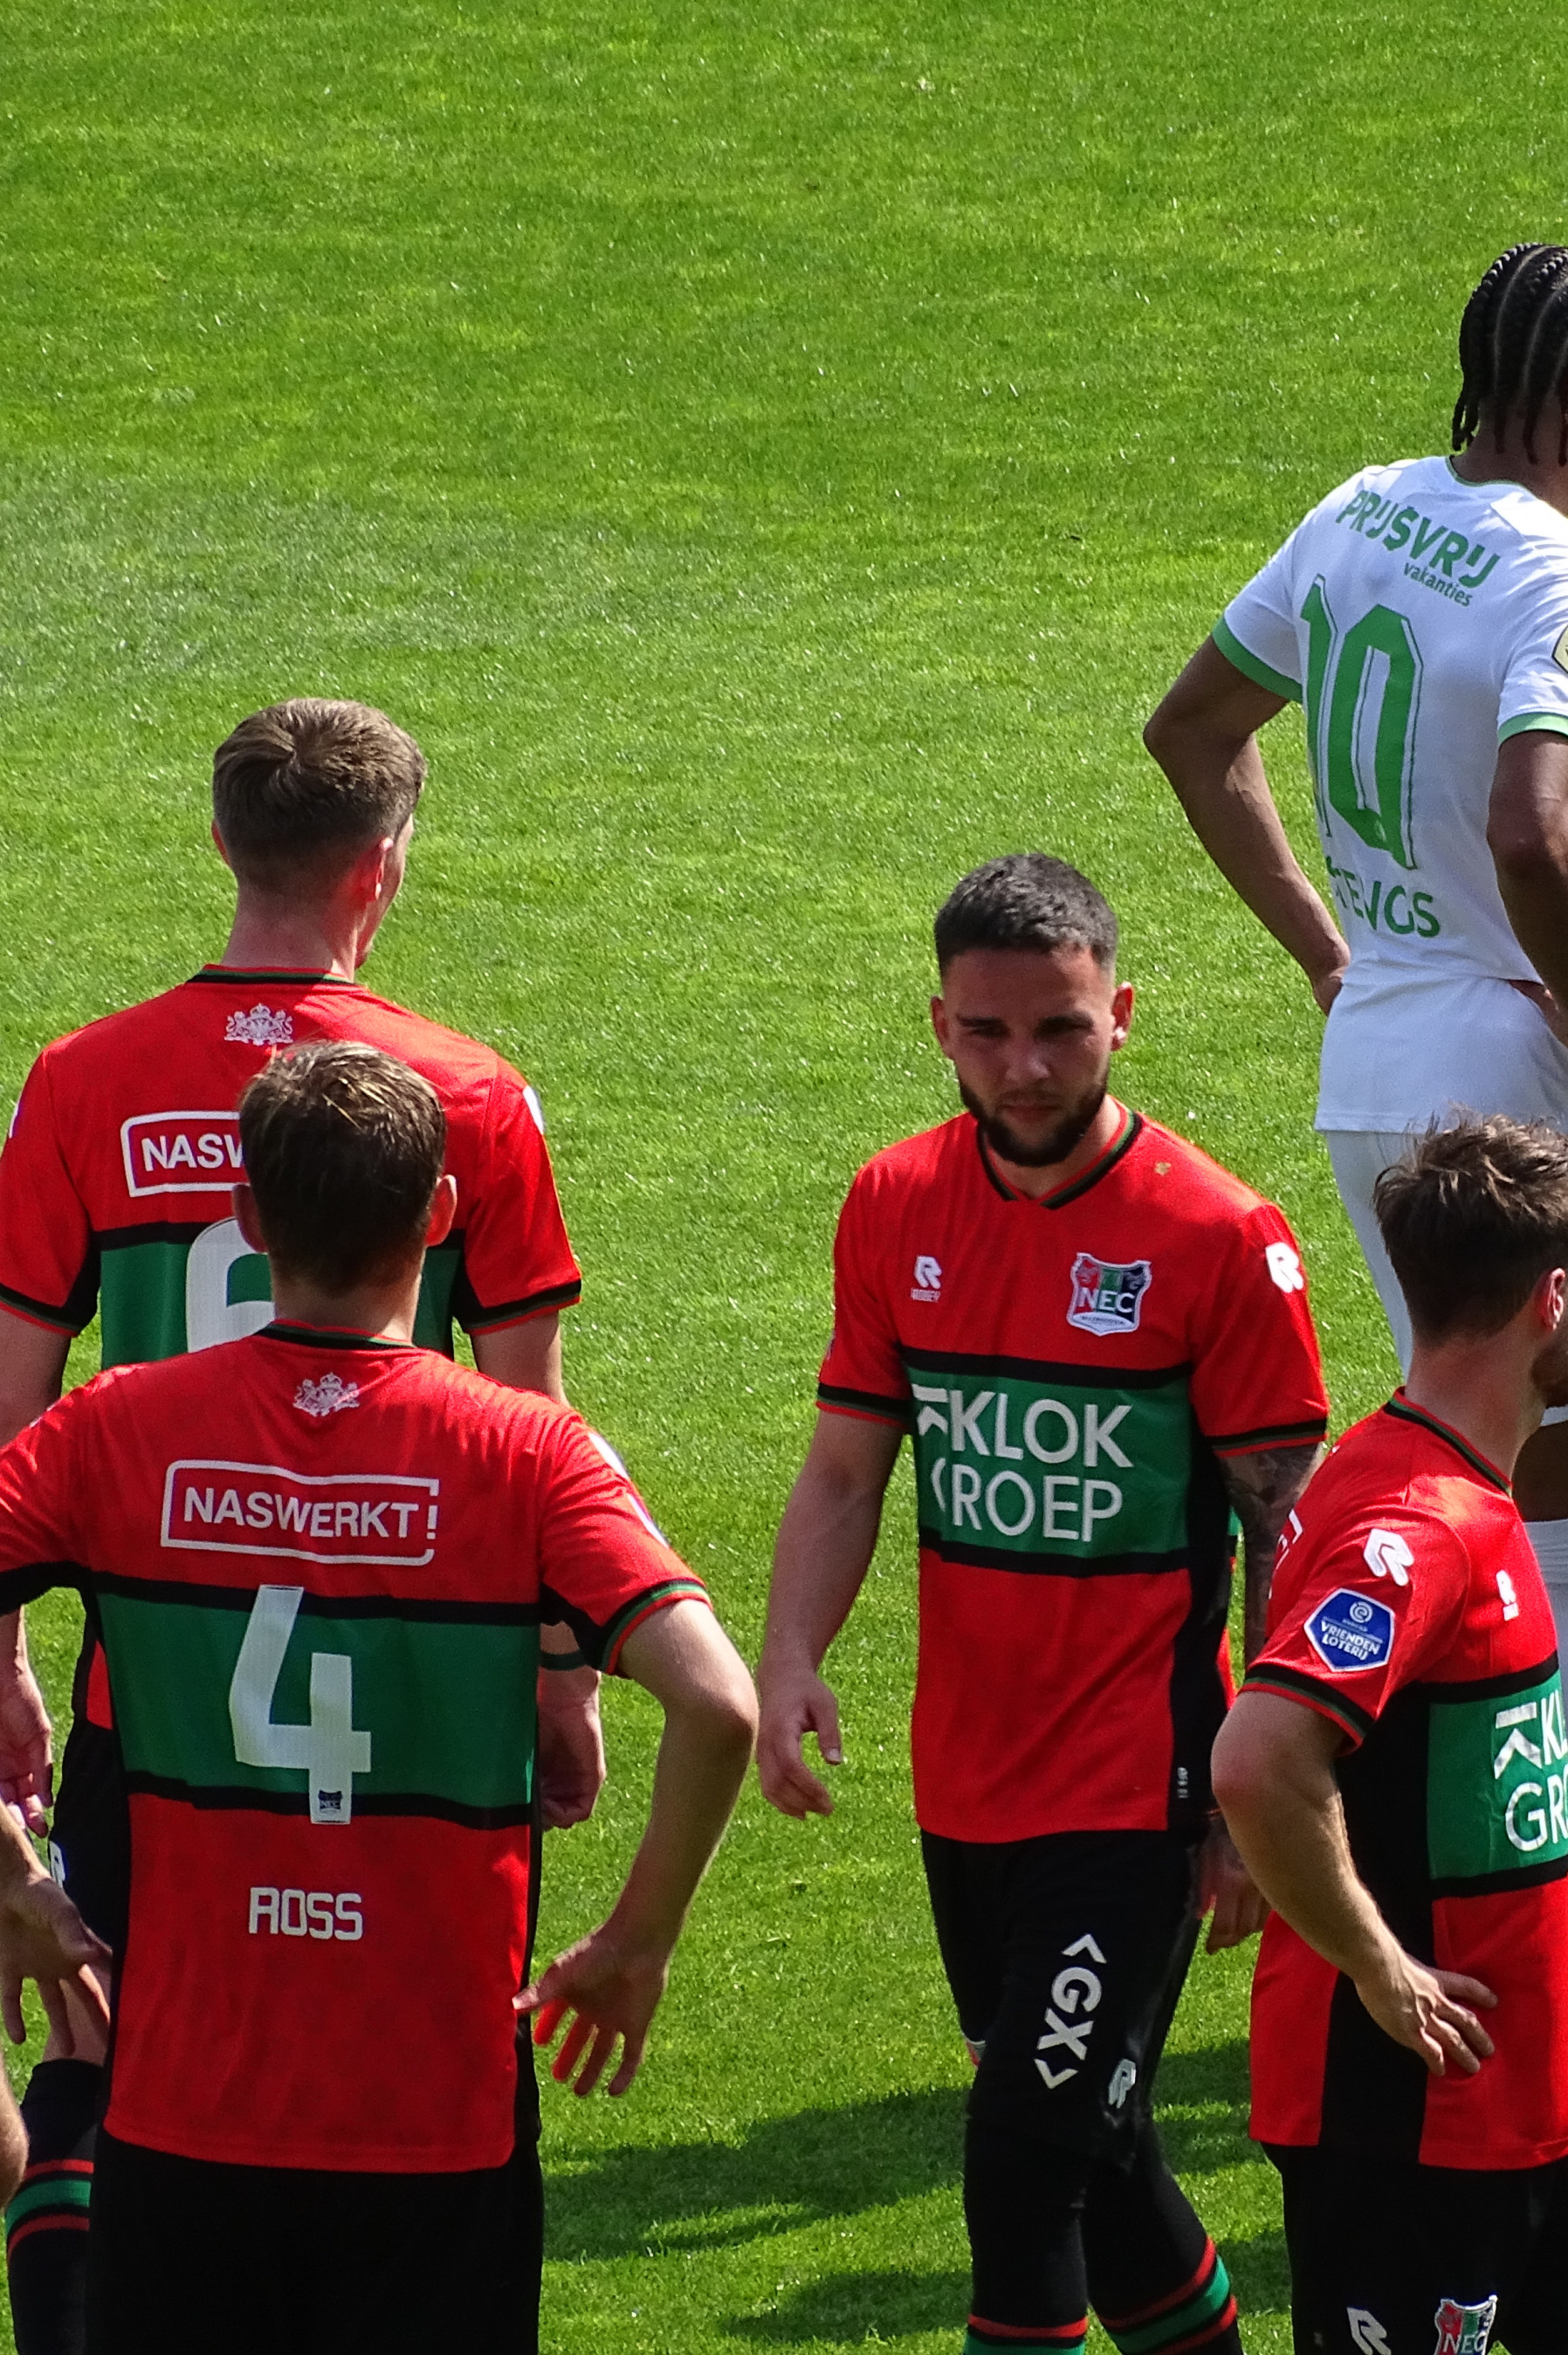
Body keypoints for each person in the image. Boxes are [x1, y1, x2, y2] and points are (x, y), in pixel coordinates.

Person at [1144, 241, 1568, 2088]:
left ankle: (1382, 1901)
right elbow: (1533, 824)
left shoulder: (1363, 511)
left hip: (1375, 1058)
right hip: (1507, 1067)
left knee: (1442, 1480)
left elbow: (1194, 731)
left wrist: (1333, 952)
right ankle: (1518, 1926)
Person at [0, 699, 600, 2352]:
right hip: (427, 1713)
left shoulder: (80, 1085)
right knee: (440, 2088)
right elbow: (534, 1414)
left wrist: (8, 1666)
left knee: (104, 2056)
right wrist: (561, 1667)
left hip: (164, 1693)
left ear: (221, 844)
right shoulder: (466, 1097)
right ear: (386, 870)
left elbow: (10, 1404)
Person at [0, 1040, 755, 2347]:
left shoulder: (112, 1432)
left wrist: (13, 1883)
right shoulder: (528, 1454)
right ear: (441, 1221)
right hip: (437, 2116)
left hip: (185, 2115)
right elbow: (720, 1707)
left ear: (244, 1217)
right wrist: (636, 1944)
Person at [755, 856, 1327, 2355]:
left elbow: (1289, 1530)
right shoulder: (894, 1203)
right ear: (940, 1024)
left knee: (1019, 2165)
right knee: (1102, 2154)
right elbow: (842, 1472)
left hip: (1137, 1791)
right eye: (991, 1033)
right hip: (967, 1783)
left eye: (1061, 1030)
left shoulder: (1218, 1238)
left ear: (1122, 1015)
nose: (1025, 1068)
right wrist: (791, 1655)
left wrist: (1263, 1795)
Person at [1214, 1118, 1568, 2355]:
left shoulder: (1440, 1488)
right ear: (1549, 1300)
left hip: (1536, 2099)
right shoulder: (1416, 1528)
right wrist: (1377, 1963)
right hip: (1402, 2111)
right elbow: (1262, 1756)